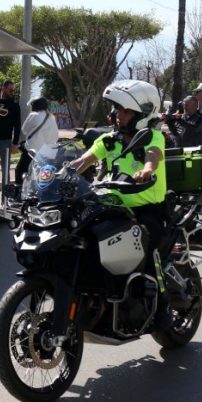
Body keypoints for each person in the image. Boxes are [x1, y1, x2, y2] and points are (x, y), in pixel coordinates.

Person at [65, 79, 172, 330]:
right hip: (113, 207)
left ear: (142, 115)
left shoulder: (152, 137)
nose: (117, 115)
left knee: (147, 249)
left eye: (124, 111)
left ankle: (163, 304)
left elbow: (153, 156)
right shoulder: (109, 140)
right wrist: (59, 173)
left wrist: (146, 170)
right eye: (116, 109)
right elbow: (84, 160)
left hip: (149, 209)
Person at [12, 96, 59, 190]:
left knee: (20, 170)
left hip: (33, 151)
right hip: (49, 152)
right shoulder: (51, 117)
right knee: (42, 175)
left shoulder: (34, 115)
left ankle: (19, 194)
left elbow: (24, 130)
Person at [0, 80, 22, 189]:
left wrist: (15, 143)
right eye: (10, 89)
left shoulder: (14, 105)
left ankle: (5, 199)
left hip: (6, 142)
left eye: (13, 90)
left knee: (5, 172)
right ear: (2, 88)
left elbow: (17, 125)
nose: (12, 92)